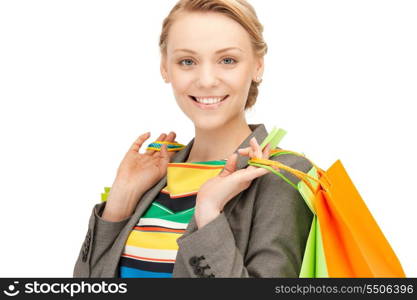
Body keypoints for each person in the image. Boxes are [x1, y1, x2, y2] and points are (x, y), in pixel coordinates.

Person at [73, 0, 313, 278]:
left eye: (227, 60)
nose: (207, 80)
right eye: (187, 61)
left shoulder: (281, 176)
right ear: (165, 68)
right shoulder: (155, 175)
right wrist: (119, 204)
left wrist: (209, 214)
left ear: (258, 66)